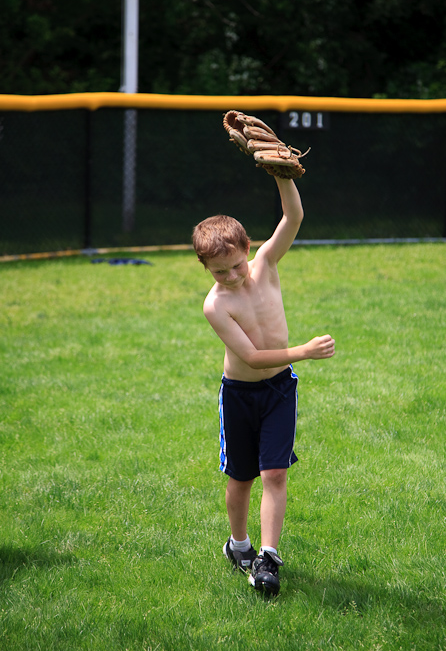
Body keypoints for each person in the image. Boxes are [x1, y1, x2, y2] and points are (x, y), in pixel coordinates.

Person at [192, 177, 335, 595]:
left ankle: (268, 556)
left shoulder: (268, 264)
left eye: (236, 265)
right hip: (239, 395)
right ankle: (238, 546)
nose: (232, 276)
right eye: (219, 271)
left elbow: (294, 216)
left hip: (278, 392)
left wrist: (282, 175)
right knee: (241, 479)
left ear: (248, 250)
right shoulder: (216, 305)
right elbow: (252, 357)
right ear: (205, 268)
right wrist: (303, 351)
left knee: (274, 473)